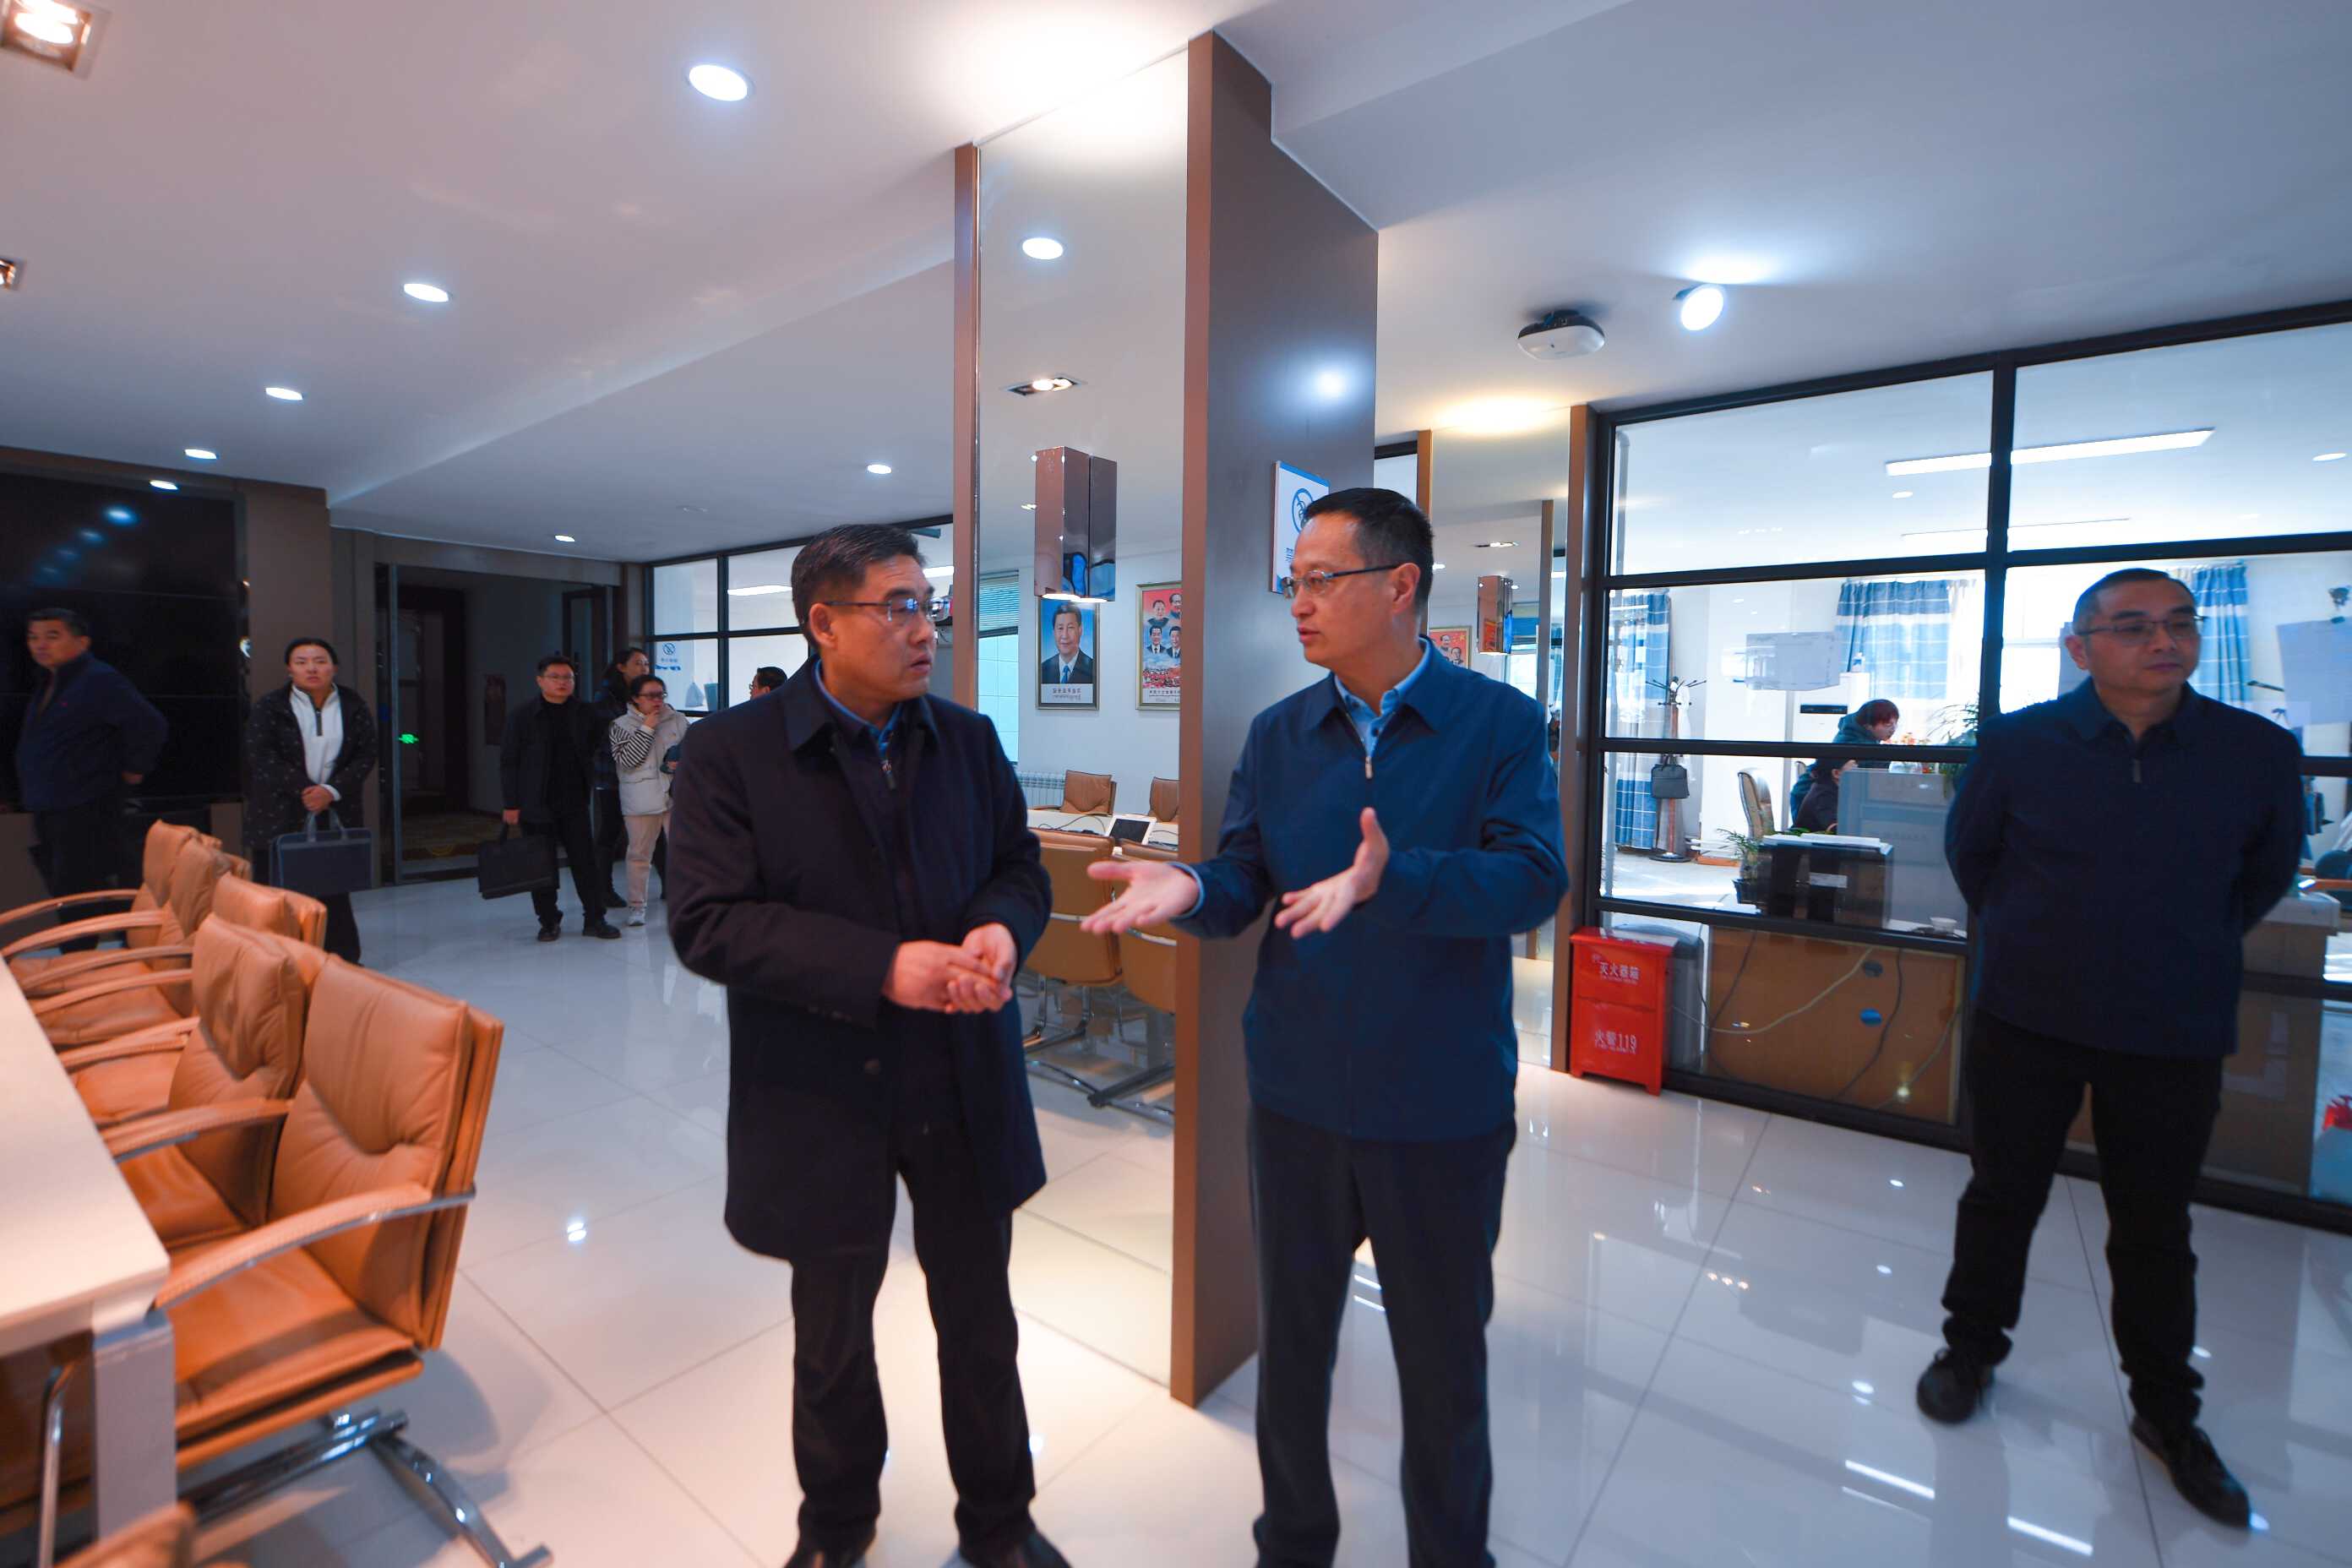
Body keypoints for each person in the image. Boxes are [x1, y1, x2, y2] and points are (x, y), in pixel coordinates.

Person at [1082, 487, 1568, 1568]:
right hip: (1298, 1096)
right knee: (1293, 1349)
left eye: (1320, 579)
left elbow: (1535, 878)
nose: (1297, 602)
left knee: (1443, 1362)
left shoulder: (1496, 722)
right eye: (1292, 582)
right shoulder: (1281, 732)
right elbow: (1245, 875)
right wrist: (1191, 887)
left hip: (1439, 1104)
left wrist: (1397, 878)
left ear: (1400, 586)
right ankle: (1293, 1542)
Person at [667, 524, 1070, 1568]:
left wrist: (1001, 927)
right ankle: (837, 1524)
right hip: (821, 1084)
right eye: (897, 606)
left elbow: (1020, 866)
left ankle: (1000, 1522)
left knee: (980, 1318)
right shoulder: (731, 753)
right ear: (823, 622)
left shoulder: (966, 740)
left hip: (960, 1073)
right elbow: (707, 922)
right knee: (833, 1330)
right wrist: (881, 965)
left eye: (926, 603)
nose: (923, 626)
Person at [1918, 568, 2302, 1529]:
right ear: (2080, 646)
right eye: (2133, 626)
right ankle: (1970, 1350)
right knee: (2002, 1194)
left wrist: (2179, 942)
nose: (2163, 642)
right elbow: (1975, 858)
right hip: (2028, 1014)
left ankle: (2167, 1411)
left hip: (2171, 1025)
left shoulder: (2252, 750)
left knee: (2155, 1223)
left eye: (2179, 623)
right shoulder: (2019, 744)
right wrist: (2041, 935)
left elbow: (2262, 877)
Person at [7, 609, 167, 920]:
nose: (40, 644)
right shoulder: (49, 680)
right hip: (49, 803)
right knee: (67, 886)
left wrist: (135, 767)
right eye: (33, 637)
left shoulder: (98, 679)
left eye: (53, 636)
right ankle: (97, 941)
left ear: (82, 642)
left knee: (78, 889)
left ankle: (85, 946)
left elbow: (150, 724)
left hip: (83, 803)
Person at [243, 637, 378, 961]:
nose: (312, 668)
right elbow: (262, 756)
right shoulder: (270, 706)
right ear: (289, 669)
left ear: (334, 667)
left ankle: (340, 959)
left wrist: (330, 791)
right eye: (301, 662)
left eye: (320, 661)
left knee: (333, 887)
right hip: (279, 811)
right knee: (277, 893)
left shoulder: (353, 705)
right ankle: (279, 961)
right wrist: (306, 790)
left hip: (335, 808)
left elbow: (366, 754)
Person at [499, 654, 619, 942]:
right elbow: (509, 762)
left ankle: (595, 918)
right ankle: (549, 921)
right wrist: (511, 804)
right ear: (540, 681)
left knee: (585, 863)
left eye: (568, 677)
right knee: (542, 865)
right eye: (555, 677)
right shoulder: (522, 716)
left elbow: (599, 746)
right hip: (534, 802)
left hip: (574, 801)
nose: (562, 682)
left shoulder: (586, 713)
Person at [608, 673, 687, 927]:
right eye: (650, 696)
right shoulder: (621, 725)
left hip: (675, 797)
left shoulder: (677, 720)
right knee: (639, 856)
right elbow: (628, 761)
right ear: (635, 698)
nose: (657, 701)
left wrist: (680, 763)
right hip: (640, 800)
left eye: (661, 695)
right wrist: (647, 727)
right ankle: (637, 906)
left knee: (685, 852)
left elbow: (694, 752)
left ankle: (688, 901)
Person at [591, 647, 650, 905]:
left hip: (641, 775)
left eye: (646, 663)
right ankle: (602, 889)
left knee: (652, 829)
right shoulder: (606, 698)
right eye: (638, 663)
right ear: (621, 667)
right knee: (611, 831)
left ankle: (670, 885)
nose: (644, 668)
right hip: (612, 776)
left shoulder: (641, 694)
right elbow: (613, 737)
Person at [1786, 698, 1897, 823]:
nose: (1893, 729)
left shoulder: (1856, 734)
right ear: (1868, 725)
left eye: (1895, 724)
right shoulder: (1856, 745)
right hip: (1812, 796)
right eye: (1888, 724)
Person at [1038, 603, 1095, 687]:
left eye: (1070, 627)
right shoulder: (1042, 670)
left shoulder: (1094, 668)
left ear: (1080, 630)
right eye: (1060, 628)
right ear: (1054, 633)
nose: (1065, 636)